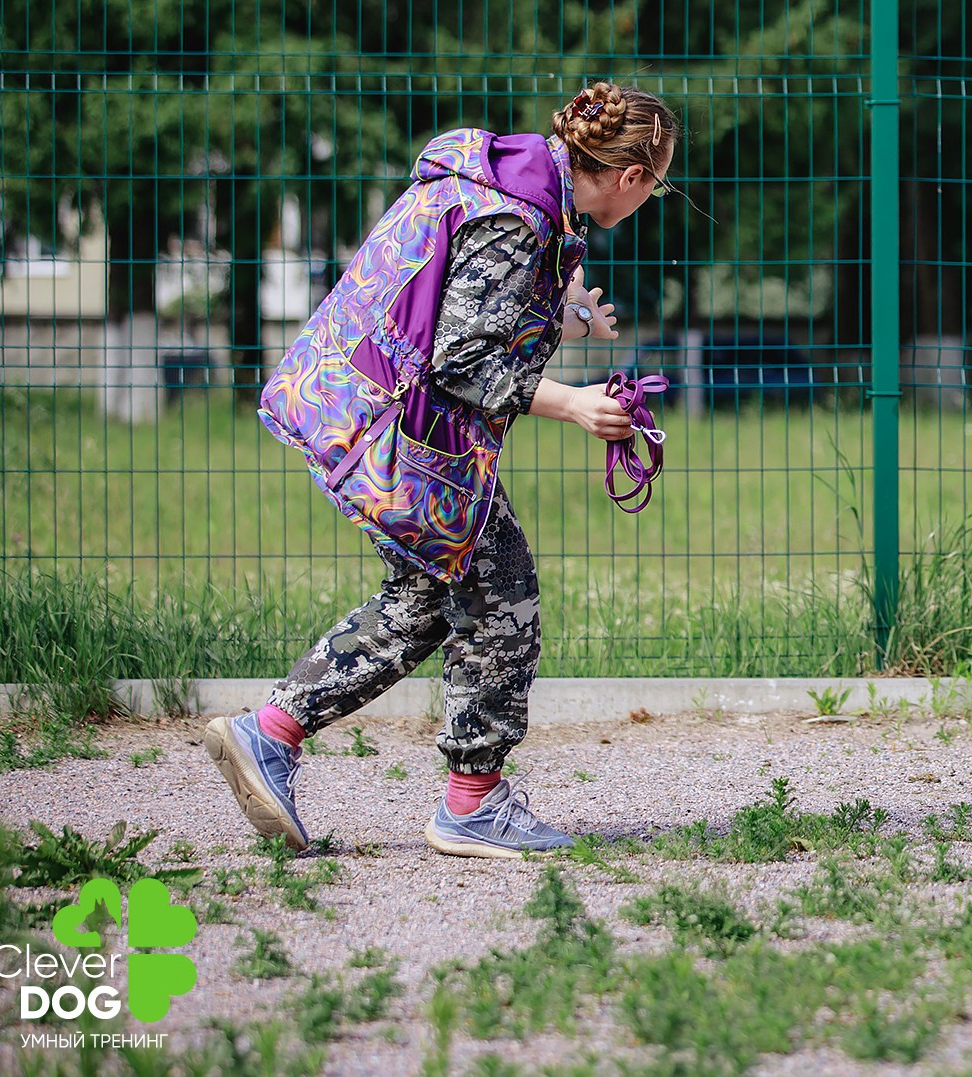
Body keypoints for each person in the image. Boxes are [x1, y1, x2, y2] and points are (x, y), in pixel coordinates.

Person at [204, 80, 678, 858]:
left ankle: (273, 733)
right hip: (409, 433)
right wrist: (576, 404)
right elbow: (462, 357)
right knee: (501, 589)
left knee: (427, 597)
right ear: (629, 175)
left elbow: (470, 295)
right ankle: (470, 802)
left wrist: (565, 309)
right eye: (654, 187)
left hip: (377, 410)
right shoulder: (519, 217)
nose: (648, 200)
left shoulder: (521, 184)